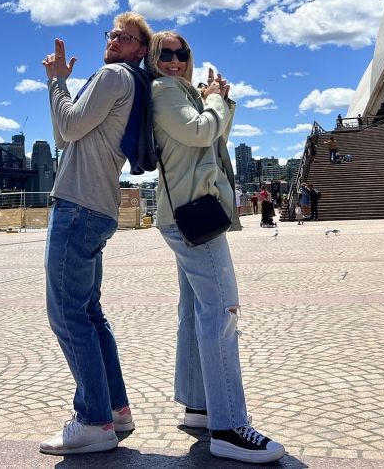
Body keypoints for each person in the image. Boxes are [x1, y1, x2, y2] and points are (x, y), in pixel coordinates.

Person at [148, 29, 285, 463]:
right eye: (164, 53)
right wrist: (215, 101)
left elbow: (213, 137)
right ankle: (228, 426)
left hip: (187, 211)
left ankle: (200, 406)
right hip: (194, 216)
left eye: (180, 52)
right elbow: (200, 132)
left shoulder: (183, 92)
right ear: (154, 59)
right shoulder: (164, 91)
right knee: (222, 312)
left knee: (194, 311)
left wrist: (219, 99)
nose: (173, 59)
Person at [38, 12, 153, 455]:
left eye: (126, 38)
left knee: (67, 315)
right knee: (90, 315)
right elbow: (68, 134)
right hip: (97, 206)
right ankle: (116, 410)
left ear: (141, 50)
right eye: (113, 34)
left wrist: (55, 80)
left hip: (78, 205)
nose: (115, 40)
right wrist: (64, 84)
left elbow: (65, 129)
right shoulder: (132, 82)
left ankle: (94, 420)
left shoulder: (111, 76)